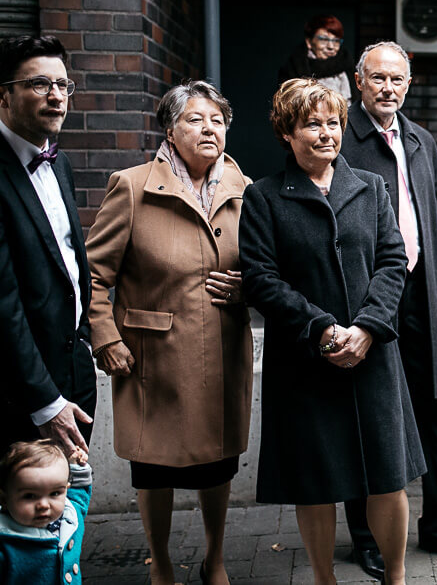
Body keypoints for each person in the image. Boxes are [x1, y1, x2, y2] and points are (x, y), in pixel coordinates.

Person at [240, 79, 424, 585]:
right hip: (304, 362)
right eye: (311, 124)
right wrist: (321, 329)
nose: (326, 134)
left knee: (388, 477)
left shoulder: (371, 187)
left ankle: (397, 577)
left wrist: (367, 328)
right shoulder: (264, 197)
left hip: (373, 354)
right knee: (316, 482)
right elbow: (260, 279)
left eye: (333, 122)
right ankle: (324, 579)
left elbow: (393, 261)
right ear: (287, 132)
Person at [85, 81, 253, 585]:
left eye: (218, 120)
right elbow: (93, 274)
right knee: (153, 466)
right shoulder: (132, 186)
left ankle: (215, 559)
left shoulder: (244, 188)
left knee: (219, 464)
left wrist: (251, 287)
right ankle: (160, 563)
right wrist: (105, 335)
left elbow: (269, 267)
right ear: (170, 128)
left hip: (221, 347)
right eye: (196, 119)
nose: (209, 129)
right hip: (152, 355)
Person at [339, 41, 437, 577]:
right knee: (370, 414)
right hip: (367, 299)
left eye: (398, 80)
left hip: (424, 294)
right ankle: (366, 536)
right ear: (359, 82)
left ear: (409, 85)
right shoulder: (341, 139)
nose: (388, 89)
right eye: (378, 78)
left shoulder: (422, 140)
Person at [0, 35, 95, 459]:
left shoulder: (61, 163)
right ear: (4, 94)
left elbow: (70, 262)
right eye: (40, 84)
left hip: (75, 376)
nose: (56, 97)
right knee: (25, 519)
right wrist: (44, 401)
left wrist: (85, 343)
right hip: (21, 395)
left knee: (71, 509)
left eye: (63, 85)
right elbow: (4, 304)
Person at [0, 440, 91, 584]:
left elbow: (78, 493)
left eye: (54, 493)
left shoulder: (69, 516)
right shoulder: (6, 543)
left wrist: (76, 465)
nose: (43, 505)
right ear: (4, 499)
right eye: (29, 496)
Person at [278, 14, 355, 103]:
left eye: (336, 41)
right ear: (309, 42)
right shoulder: (294, 69)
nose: (330, 46)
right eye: (324, 40)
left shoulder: (348, 65)